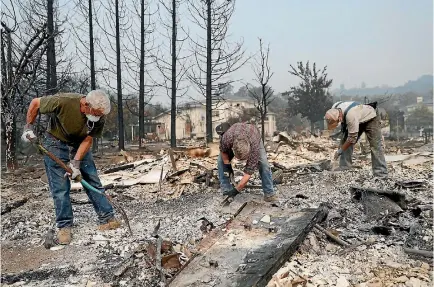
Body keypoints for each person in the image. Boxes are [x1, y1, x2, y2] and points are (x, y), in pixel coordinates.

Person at [21, 90, 121, 245]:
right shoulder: (63, 101)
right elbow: (35, 103)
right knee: (60, 187)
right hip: (55, 141)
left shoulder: (100, 115)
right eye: (96, 113)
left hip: (79, 142)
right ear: (86, 105)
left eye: (101, 115)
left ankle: (107, 217)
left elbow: (88, 139)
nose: (99, 117)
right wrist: (28, 127)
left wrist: (76, 163)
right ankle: (64, 227)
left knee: (92, 179)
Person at [324, 101, 388, 177]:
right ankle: (344, 167)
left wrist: (340, 150)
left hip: (371, 117)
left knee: (375, 145)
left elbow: (352, 139)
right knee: (345, 141)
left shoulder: (350, 116)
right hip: (357, 117)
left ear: (340, 118)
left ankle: (381, 173)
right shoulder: (334, 107)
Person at [217, 122, 278, 202]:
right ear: (233, 148)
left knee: (264, 164)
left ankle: (269, 193)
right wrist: (227, 165)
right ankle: (226, 190)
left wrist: (236, 190)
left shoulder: (254, 148)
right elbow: (223, 151)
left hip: (254, 135)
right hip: (236, 132)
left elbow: (248, 173)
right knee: (220, 161)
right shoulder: (227, 138)